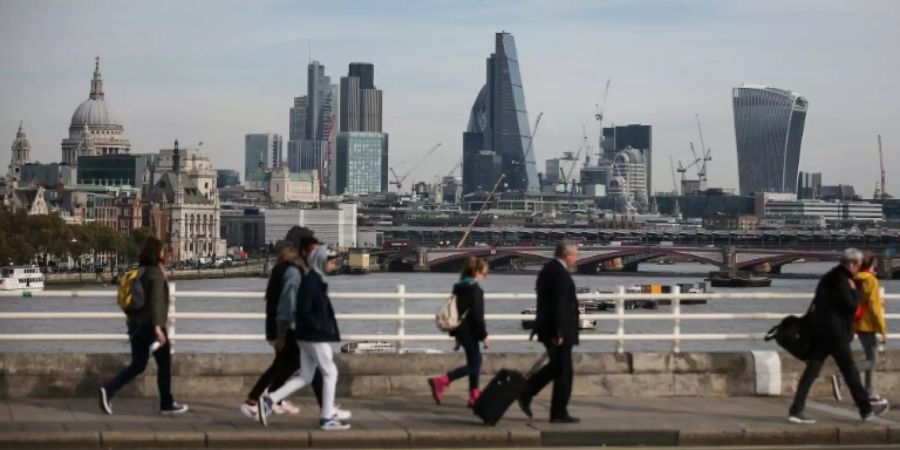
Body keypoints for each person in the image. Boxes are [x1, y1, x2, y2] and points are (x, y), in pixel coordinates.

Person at [788, 248, 889, 424]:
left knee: (812, 372)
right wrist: (854, 291)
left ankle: (796, 410)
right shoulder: (842, 281)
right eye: (857, 265)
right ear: (851, 264)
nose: (858, 269)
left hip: (821, 332)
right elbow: (851, 306)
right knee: (850, 372)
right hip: (835, 334)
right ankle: (866, 410)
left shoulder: (828, 277)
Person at [258, 246, 351, 431]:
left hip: (305, 335)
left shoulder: (313, 279)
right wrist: (319, 326)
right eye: (331, 261)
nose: (334, 264)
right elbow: (305, 310)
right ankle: (326, 417)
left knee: (306, 376)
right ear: (321, 262)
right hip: (314, 336)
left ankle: (270, 399)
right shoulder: (313, 282)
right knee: (330, 372)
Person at [99, 237, 188, 415]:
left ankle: (109, 390)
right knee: (164, 365)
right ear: (157, 253)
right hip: (152, 327)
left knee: (138, 365)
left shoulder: (141, 271)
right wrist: (157, 329)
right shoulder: (154, 274)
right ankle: (166, 404)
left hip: (135, 327)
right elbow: (155, 302)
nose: (165, 252)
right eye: (162, 250)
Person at [239, 240, 323, 418]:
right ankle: (257, 400)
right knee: (291, 366)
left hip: (280, 328)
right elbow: (288, 306)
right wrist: (282, 335)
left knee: (284, 366)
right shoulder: (293, 273)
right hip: (287, 330)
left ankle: (268, 400)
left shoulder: (280, 271)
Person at [518, 241, 580, 423]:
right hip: (557, 330)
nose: (576, 259)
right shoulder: (559, 274)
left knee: (557, 368)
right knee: (564, 371)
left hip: (550, 328)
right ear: (566, 255)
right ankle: (558, 412)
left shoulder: (549, 270)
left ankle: (528, 393)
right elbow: (559, 305)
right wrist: (559, 331)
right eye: (575, 255)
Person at [428, 257, 490, 407]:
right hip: (471, 332)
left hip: (461, 331)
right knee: (475, 364)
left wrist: (457, 337)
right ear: (476, 272)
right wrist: (484, 336)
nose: (485, 277)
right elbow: (477, 316)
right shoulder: (476, 290)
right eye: (484, 273)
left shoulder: (459, 288)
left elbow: (458, 313)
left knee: (473, 361)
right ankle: (443, 381)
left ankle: (474, 395)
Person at [852, 252, 888, 402]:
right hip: (868, 325)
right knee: (872, 359)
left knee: (869, 356)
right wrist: (882, 329)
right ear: (870, 265)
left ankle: (869, 392)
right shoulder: (871, 281)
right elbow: (874, 307)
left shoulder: (855, 279)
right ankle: (843, 374)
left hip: (857, 323)